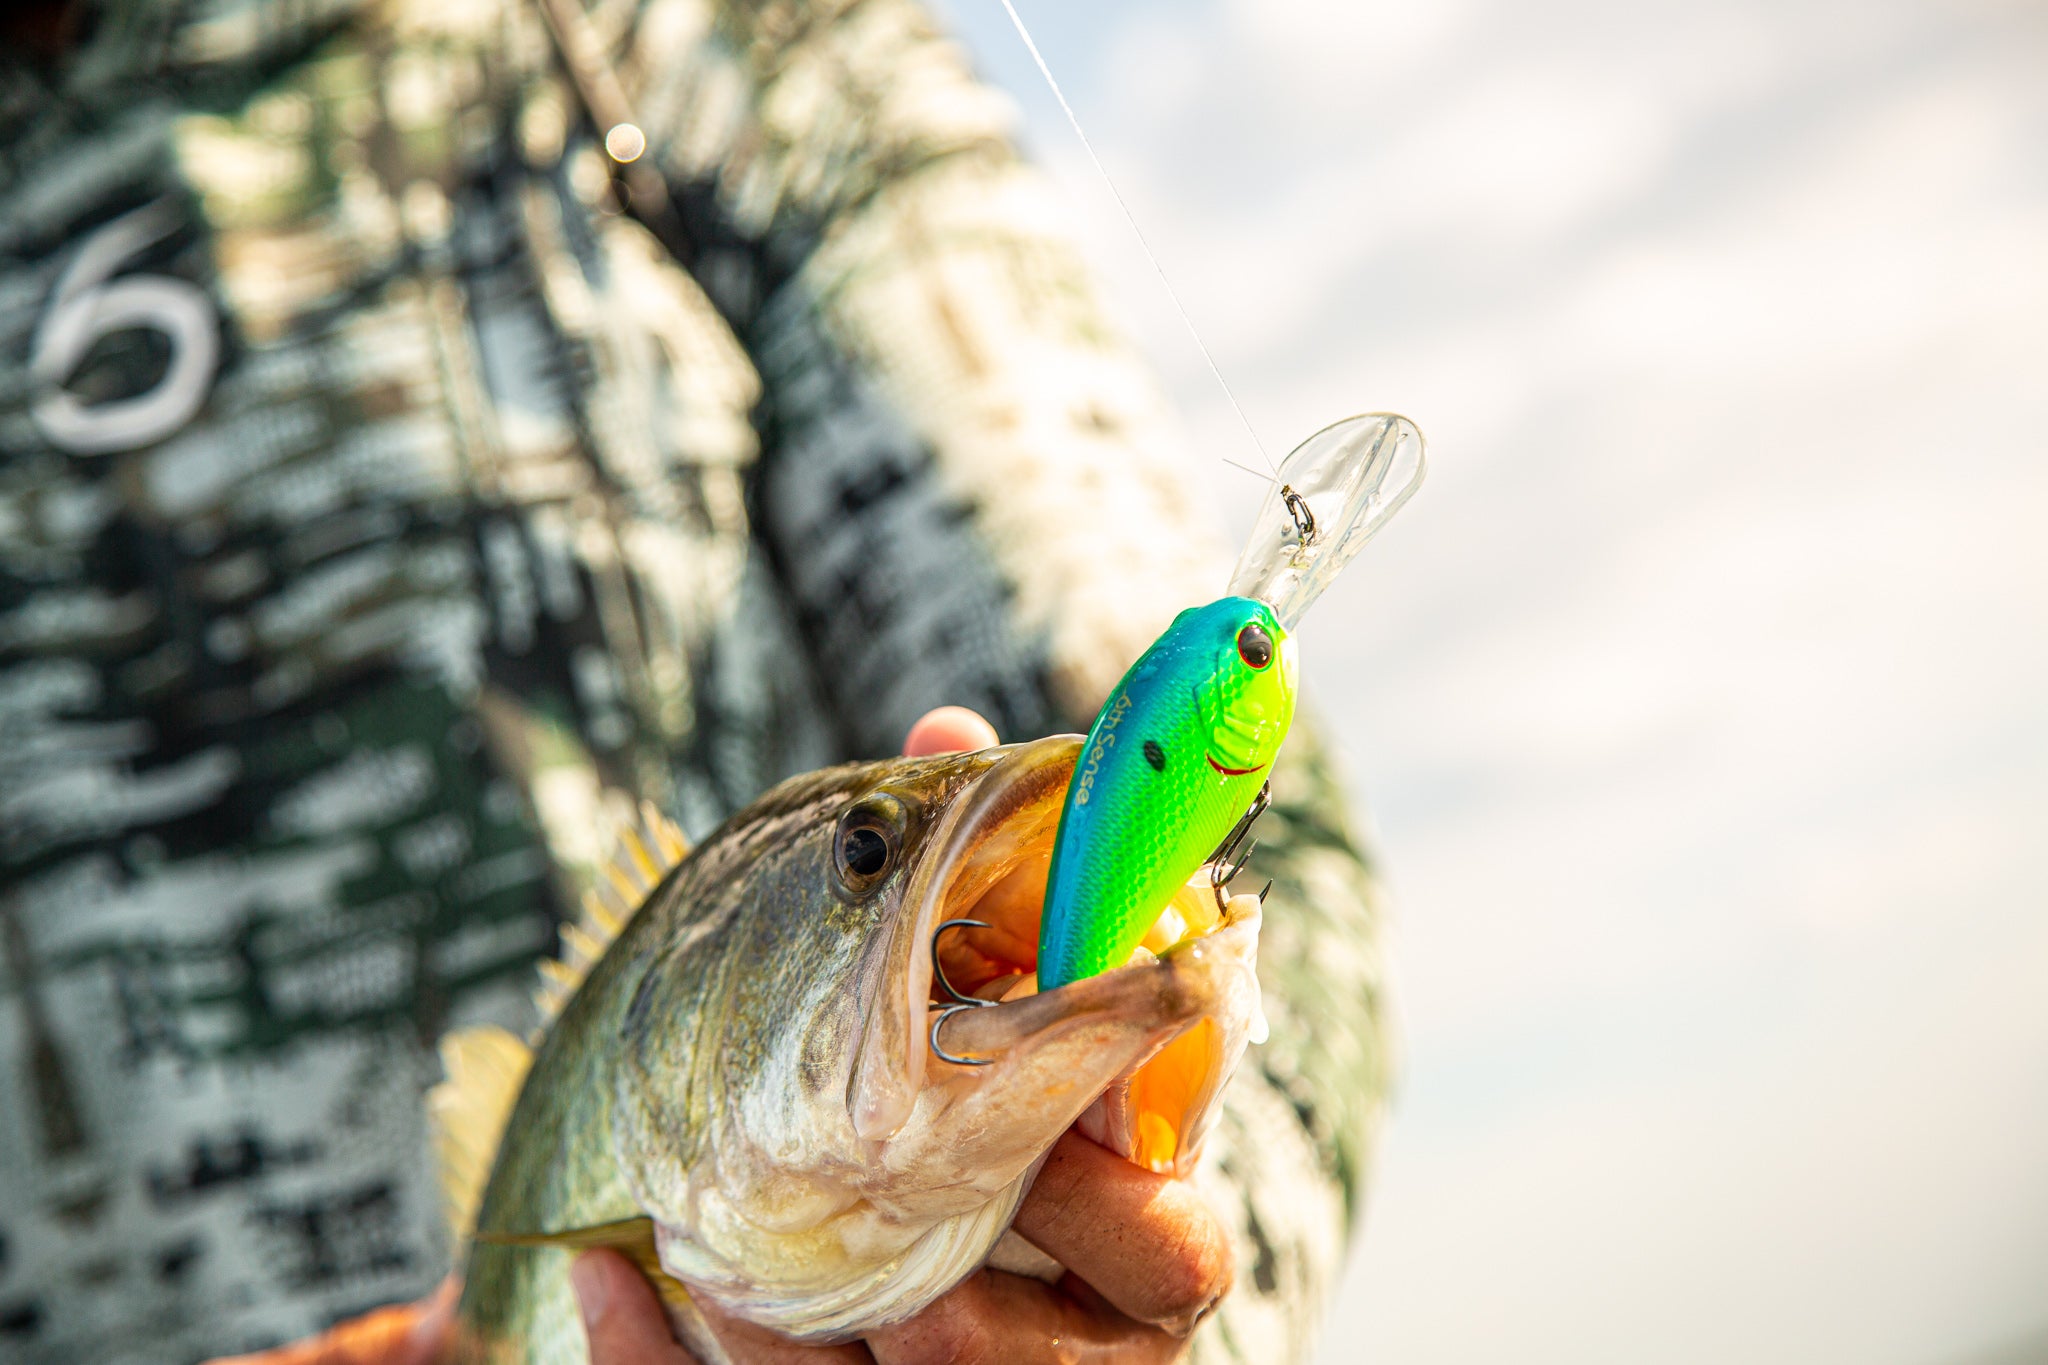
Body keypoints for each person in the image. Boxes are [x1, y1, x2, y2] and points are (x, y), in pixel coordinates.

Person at [0, 1, 1394, 1361]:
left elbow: (1280, 864)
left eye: (864, 857)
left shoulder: (724, 59)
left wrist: (1151, 1300)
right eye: (866, 855)